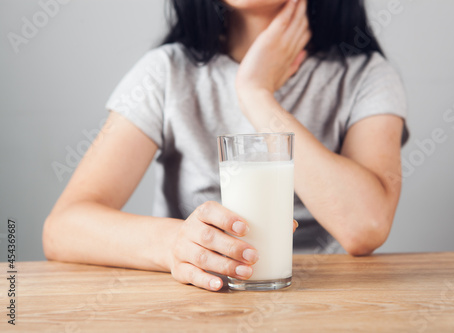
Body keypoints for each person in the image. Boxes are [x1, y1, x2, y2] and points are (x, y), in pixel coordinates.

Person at [43, 0, 408, 292]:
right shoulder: (166, 73)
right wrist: (176, 244)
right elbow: (62, 230)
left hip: (322, 301)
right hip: (200, 298)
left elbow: (366, 226)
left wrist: (255, 94)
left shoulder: (365, 75)